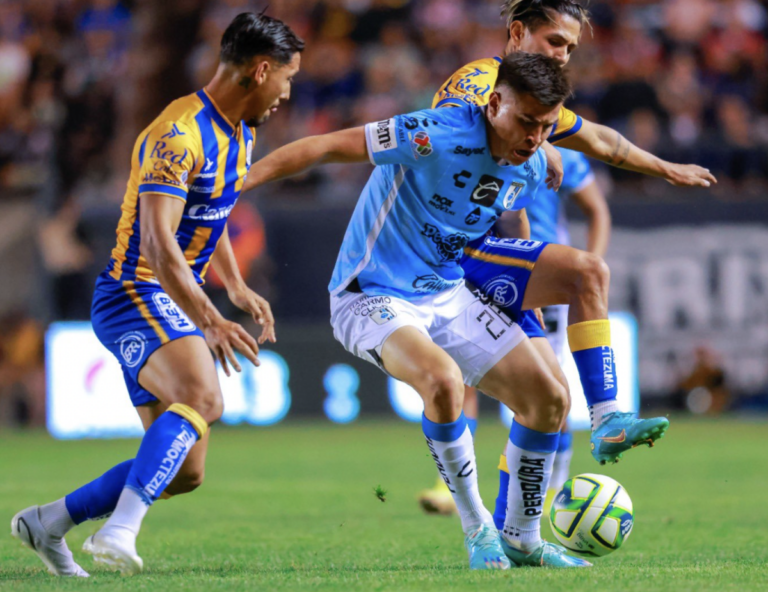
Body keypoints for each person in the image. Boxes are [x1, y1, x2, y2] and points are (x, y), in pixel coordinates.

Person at [248, 52, 592, 569]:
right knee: (443, 381)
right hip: (370, 293)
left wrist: (522, 302)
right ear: (494, 103)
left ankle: (521, 538)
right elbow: (325, 147)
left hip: (447, 294)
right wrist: (237, 184)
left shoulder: (534, 161)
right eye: (525, 122)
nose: (533, 137)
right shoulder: (431, 133)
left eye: (545, 127)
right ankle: (480, 532)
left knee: (550, 398)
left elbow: (515, 221)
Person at [10, 12, 302, 576]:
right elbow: (159, 242)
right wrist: (211, 320)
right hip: (134, 291)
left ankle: (48, 523)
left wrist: (235, 284)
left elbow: (208, 216)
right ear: (260, 70)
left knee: (185, 471)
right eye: (286, 79)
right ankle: (120, 531)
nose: (287, 93)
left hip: (166, 295)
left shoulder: (241, 130)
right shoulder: (178, 133)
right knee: (207, 397)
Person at [419, 0, 716, 504]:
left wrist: (665, 167)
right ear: (517, 34)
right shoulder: (480, 78)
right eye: (554, 41)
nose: (562, 55)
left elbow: (602, 140)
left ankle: (525, 517)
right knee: (517, 380)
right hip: (447, 254)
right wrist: (539, 138)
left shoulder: (541, 104)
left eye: (570, 48)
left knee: (550, 397)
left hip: (496, 251)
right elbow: (457, 120)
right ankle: (477, 496)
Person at [418, 147, 611, 517]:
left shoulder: (564, 155)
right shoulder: (490, 145)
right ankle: (452, 485)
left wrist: (592, 270)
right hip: (487, 266)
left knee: (551, 384)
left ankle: (556, 485)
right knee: (462, 376)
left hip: (541, 274)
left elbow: (597, 209)